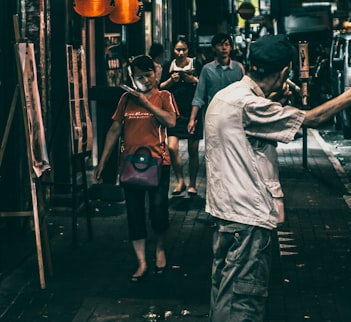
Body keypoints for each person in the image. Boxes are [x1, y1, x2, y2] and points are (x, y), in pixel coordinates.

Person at [204, 34, 351, 322]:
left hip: (226, 219)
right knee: (241, 313)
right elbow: (312, 119)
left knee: (223, 306)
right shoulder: (249, 106)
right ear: (284, 70)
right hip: (248, 222)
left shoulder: (227, 97)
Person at [94, 55, 178, 282]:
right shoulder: (125, 99)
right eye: (139, 76)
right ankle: (141, 262)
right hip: (130, 165)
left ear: (155, 74)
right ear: (132, 77)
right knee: (134, 214)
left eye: (148, 75)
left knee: (158, 212)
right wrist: (102, 163)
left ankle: (160, 249)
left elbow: (171, 122)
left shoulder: (164, 96)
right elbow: (114, 131)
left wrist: (146, 103)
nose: (145, 80)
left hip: (159, 163)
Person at [158, 35, 202, 195]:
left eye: (183, 49)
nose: (181, 53)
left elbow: (202, 84)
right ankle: (180, 180)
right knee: (172, 147)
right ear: (173, 50)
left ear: (188, 50)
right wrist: (171, 80)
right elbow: (160, 88)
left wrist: (192, 79)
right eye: (178, 49)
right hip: (173, 113)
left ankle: (192, 183)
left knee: (193, 150)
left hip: (193, 112)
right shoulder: (167, 66)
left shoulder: (195, 64)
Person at [188, 33, 245, 152]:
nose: (224, 48)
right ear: (214, 48)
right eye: (220, 45)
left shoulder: (238, 68)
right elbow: (199, 97)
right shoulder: (207, 70)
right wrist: (192, 119)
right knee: (214, 150)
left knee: (234, 150)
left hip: (234, 116)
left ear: (231, 47)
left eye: (227, 45)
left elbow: (246, 94)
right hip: (213, 116)